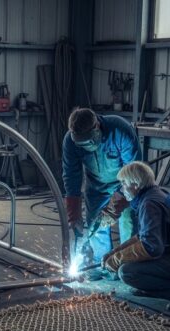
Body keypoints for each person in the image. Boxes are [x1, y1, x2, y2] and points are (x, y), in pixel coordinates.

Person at [102, 161, 170, 313]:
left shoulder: (150, 204)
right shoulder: (153, 195)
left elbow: (151, 247)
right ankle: (158, 285)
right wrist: (114, 253)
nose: (122, 188)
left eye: (124, 183)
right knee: (129, 264)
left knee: (127, 272)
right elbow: (142, 236)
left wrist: (118, 259)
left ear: (136, 184)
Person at [62, 108, 140, 279]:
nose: (87, 148)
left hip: (125, 184)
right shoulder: (70, 141)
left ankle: (127, 266)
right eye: (82, 145)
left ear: (97, 126)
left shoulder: (120, 130)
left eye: (89, 142)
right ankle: (102, 264)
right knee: (95, 226)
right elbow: (71, 177)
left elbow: (134, 172)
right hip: (96, 187)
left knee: (128, 222)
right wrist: (74, 215)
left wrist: (117, 203)